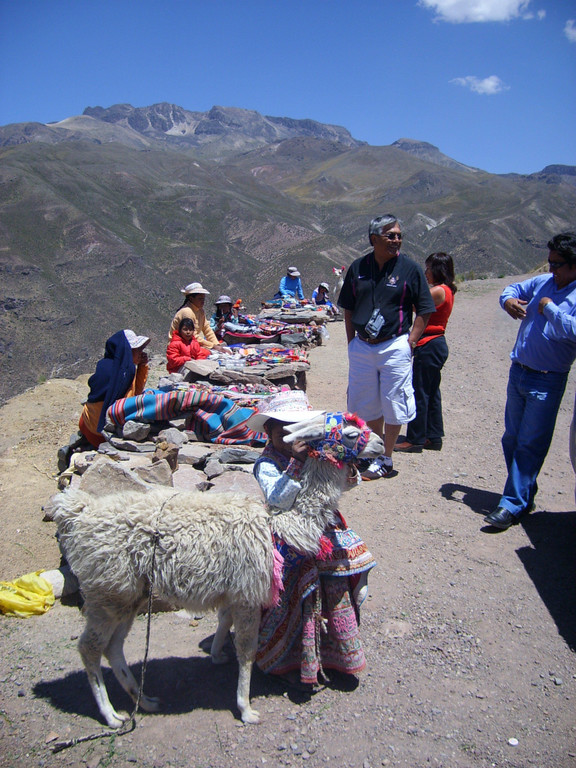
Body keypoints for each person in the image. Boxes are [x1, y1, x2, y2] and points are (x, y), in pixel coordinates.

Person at [247, 390, 376, 687]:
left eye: (297, 429)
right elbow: (278, 498)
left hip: (319, 525)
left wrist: (348, 467)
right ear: (268, 431)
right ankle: (288, 656)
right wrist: (295, 462)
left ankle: (336, 654)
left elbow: (342, 486)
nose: (291, 437)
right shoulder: (266, 463)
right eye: (283, 430)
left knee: (337, 575)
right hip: (285, 530)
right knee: (290, 581)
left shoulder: (317, 451)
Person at [484, 232, 576, 530]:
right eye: (549, 262)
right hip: (519, 371)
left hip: (548, 380)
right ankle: (524, 495)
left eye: (558, 264)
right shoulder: (542, 283)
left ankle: (511, 504)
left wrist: (549, 308)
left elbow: (572, 331)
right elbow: (511, 288)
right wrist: (508, 300)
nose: (551, 270)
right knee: (511, 438)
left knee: (529, 444)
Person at [337, 214, 435, 479]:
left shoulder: (410, 269)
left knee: (394, 402)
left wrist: (410, 342)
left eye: (399, 235)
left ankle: (386, 458)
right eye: (390, 235)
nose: (397, 240)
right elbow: (348, 308)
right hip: (362, 347)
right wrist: (351, 343)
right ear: (374, 239)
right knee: (364, 404)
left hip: (395, 345)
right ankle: (371, 452)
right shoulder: (358, 268)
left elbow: (425, 309)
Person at [395, 252, 457, 452]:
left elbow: (415, 303)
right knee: (431, 392)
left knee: (419, 392)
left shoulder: (438, 291)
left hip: (429, 344)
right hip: (436, 344)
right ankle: (433, 434)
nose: (426, 272)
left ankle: (415, 438)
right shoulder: (446, 290)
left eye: (429, 268)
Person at [79, 329, 150, 448]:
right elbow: (132, 399)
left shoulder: (105, 364)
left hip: (86, 425)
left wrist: (142, 366)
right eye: (137, 350)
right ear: (126, 351)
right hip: (102, 435)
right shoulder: (124, 373)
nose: (140, 353)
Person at [168, 282, 228, 351]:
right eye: (200, 299)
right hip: (179, 346)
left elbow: (207, 329)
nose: (203, 301)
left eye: (203, 299)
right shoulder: (187, 312)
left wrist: (216, 344)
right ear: (191, 298)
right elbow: (192, 335)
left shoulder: (200, 311)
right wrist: (212, 346)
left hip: (191, 343)